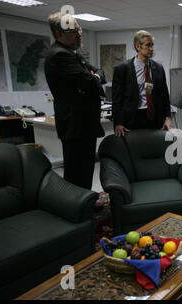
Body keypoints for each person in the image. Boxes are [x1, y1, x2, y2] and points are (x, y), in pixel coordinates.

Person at [45, 12, 106, 190]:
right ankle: (77, 210)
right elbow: (91, 82)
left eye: (78, 28)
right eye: (73, 30)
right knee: (76, 173)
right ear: (59, 34)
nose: (79, 33)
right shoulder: (59, 55)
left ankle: (84, 204)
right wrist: (91, 79)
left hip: (84, 124)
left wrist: (92, 78)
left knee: (85, 170)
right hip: (75, 126)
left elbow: (99, 72)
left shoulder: (73, 54)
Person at [112, 30, 171, 136]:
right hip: (132, 120)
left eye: (152, 45)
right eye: (148, 45)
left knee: (154, 150)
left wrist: (167, 117)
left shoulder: (158, 68)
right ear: (138, 46)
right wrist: (118, 122)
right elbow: (117, 99)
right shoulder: (122, 69)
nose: (152, 49)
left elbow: (165, 96)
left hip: (154, 118)